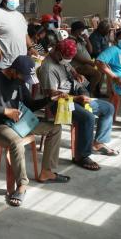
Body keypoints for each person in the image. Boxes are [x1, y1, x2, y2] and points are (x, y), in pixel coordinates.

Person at [0, 56, 70, 207]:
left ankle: (46, 172)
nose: (24, 81)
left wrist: (50, 99)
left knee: (55, 128)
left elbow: (30, 104)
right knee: (16, 142)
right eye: (23, 77)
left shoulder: (19, 81)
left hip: (19, 121)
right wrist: (5, 111)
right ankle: (22, 185)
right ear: (13, 71)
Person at [38, 39, 117, 171]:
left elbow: (70, 68)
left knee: (108, 108)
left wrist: (76, 74)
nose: (68, 61)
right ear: (57, 52)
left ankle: (98, 142)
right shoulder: (48, 68)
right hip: (60, 103)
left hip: (74, 96)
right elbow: (52, 96)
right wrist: (76, 99)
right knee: (88, 118)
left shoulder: (62, 60)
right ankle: (81, 156)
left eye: (70, 58)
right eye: (66, 58)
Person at [69, 21, 102, 96]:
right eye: (82, 30)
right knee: (97, 74)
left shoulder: (80, 39)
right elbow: (75, 56)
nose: (83, 32)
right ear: (77, 30)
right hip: (76, 66)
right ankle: (88, 92)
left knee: (100, 71)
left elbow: (90, 51)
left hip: (86, 64)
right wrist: (90, 62)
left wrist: (87, 40)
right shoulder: (71, 40)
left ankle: (93, 91)